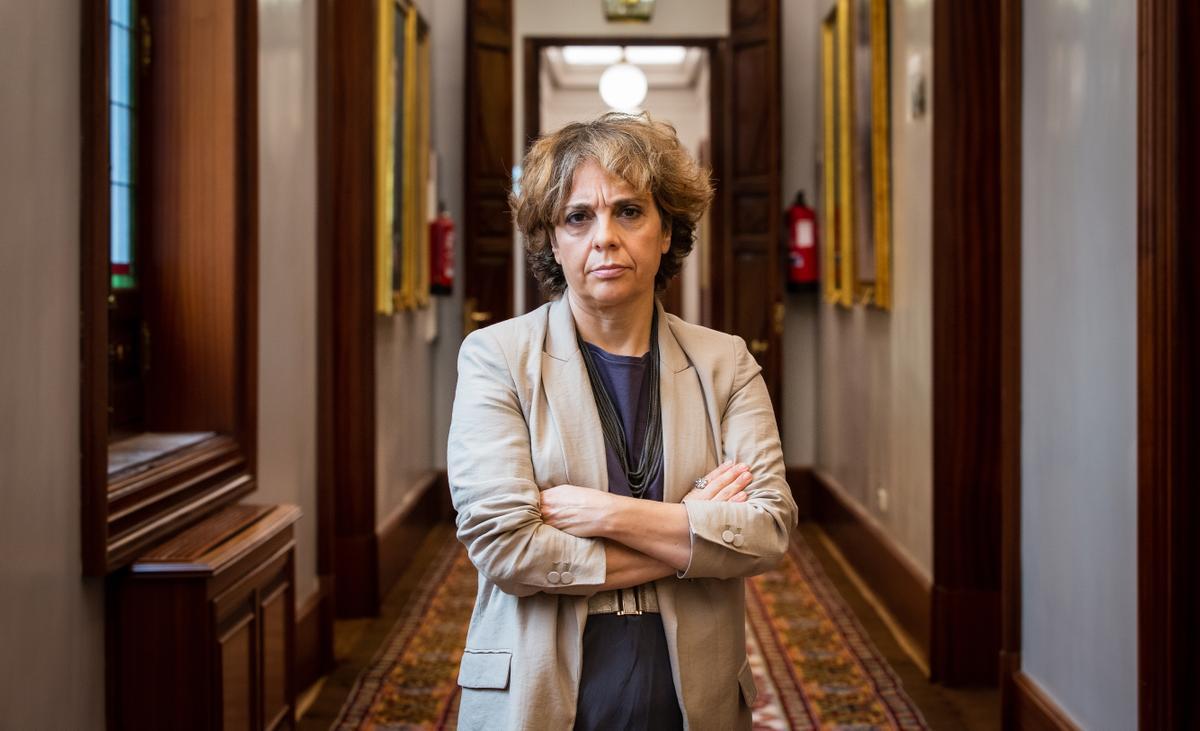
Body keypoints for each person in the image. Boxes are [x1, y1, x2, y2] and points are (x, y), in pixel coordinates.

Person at [448, 112, 797, 730]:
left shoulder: (727, 362)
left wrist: (607, 513)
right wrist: (694, 528)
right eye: (578, 217)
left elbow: (767, 530)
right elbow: (505, 546)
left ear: (667, 232)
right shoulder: (496, 358)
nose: (604, 236)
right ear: (553, 241)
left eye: (629, 212)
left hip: (694, 694)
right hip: (539, 694)